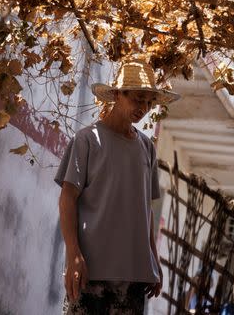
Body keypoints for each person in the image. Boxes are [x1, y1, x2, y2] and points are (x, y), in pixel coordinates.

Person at [55, 56, 180, 314]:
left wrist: (153, 259)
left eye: (148, 102)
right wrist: (73, 253)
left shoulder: (147, 147)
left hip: (134, 276)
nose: (143, 107)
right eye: (136, 99)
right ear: (117, 95)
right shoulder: (87, 140)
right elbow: (68, 198)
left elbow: (144, 208)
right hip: (91, 270)